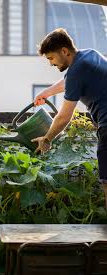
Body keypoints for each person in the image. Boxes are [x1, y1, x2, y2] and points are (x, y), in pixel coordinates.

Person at [31, 28, 107, 209]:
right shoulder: (90, 55)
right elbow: (69, 82)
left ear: (64, 51)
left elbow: (64, 116)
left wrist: (47, 138)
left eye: (51, 58)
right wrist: (47, 92)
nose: (50, 64)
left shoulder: (76, 72)